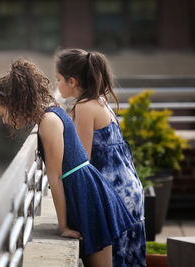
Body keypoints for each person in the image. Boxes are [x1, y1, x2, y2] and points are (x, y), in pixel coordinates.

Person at [0, 58, 136, 267]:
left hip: (86, 195)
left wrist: (63, 227)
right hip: (83, 191)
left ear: (17, 103)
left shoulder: (48, 122)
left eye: (2, 113)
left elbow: (55, 177)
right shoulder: (50, 113)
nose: (4, 120)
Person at [55, 48, 146, 266]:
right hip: (129, 189)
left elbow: (82, 160)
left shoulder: (84, 107)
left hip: (115, 196)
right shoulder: (100, 101)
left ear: (72, 81)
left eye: (58, 79)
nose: (56, 85)